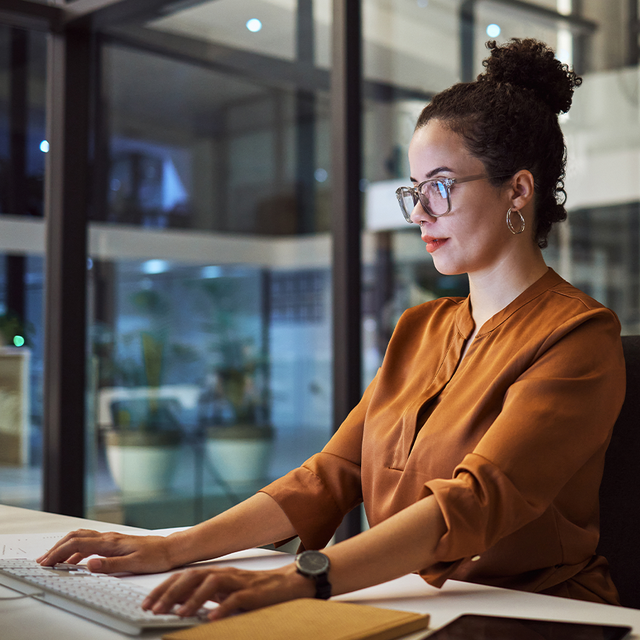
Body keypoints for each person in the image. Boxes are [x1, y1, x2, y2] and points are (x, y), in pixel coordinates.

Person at [38, 38, 626, 619]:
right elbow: (331, 474)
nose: (420, 212)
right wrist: (173, 547)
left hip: (535, 617)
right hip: (409, 598)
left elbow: (475, 503)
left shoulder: (579, 336)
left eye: (441, 186)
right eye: (414, 191)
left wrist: (308, 579)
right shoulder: (420, 328)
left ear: (517, 189)